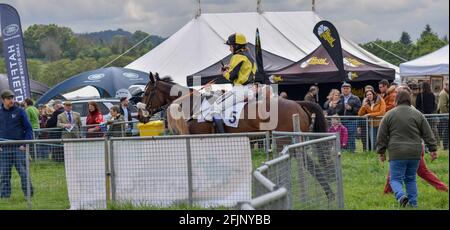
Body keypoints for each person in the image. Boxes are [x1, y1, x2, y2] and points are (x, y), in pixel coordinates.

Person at [377, 90, 438, 208]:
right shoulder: (418, 114)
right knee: (410, 179)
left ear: (396, 100)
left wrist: (381, 151)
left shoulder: (389, 114)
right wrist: (433, 149)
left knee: (395, 180)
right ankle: (413, 204)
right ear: (409, 99)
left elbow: (381, 135)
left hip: (397, 152)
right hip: (415, 152)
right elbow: (428, 133)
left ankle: (401, 196)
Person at [204, 32, 257, 133]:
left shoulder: (237, 57)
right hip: (250, 90)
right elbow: (243, 70)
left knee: (215, 108)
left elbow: (232, 77)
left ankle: (224, 138)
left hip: (240, 90)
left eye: (231, 46)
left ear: (236, 46)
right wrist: (230, 68)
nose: (230, 49)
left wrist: (225, 73)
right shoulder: (250, 56)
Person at [0, 90, 34, 198]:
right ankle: (5, 196)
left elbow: (29, 129)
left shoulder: (20, 111)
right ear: (3, 100)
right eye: (9, 98)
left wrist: (25, 144)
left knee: (23, 173)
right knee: (4, 174)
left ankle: (28, 194)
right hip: (4, 149)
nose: (11, 100)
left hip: (19, 147)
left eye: (12, 98)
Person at [337, 82, 361, 153]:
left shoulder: (355, 98)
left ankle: (351, 151)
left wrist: (351, 108)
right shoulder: (338, 97)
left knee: (351, 135)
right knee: (341, 135)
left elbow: (359, 110)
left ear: (350, 89)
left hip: (351, 120)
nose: (345, 90)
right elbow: (326, 104)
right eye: (344, 88)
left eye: (347, 88)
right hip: (340, 121)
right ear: (341, 89)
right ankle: (343, 150)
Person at [437, 82, 449, 150]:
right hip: (445, 116)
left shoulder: (446, 93)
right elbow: (442, 106)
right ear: (446, 85)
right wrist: (447, 114)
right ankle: (445, 146)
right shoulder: (443, 93)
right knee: (446, 131)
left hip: (446, 115)